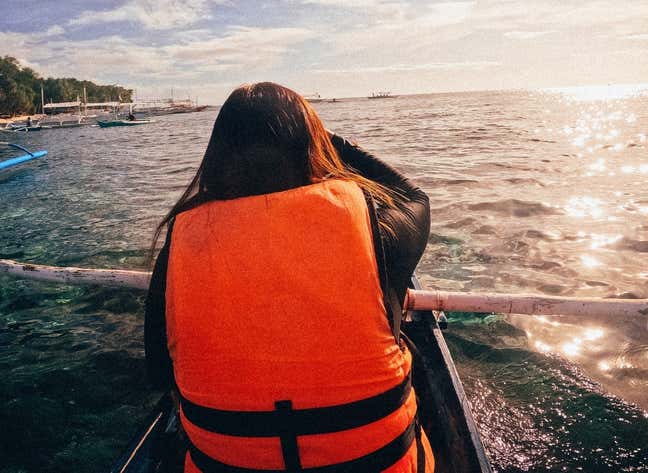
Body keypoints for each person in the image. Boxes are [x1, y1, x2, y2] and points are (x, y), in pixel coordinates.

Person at [145, 82, 433, 472]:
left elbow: (160, 370)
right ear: (310, 147)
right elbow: (414, 199)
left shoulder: (180, 243)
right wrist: (336, 143)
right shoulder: (374, 231)